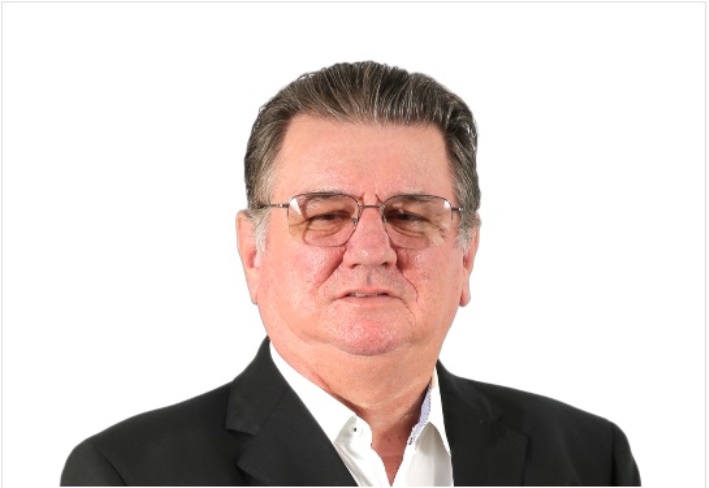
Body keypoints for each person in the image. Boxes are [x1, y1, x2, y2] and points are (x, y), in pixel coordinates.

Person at [61, 61, 640, 486]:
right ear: (253, 253)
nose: (371, 251)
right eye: (325, 214)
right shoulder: (129, 475)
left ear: (466, 256)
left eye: (410, 215)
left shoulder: (590, 461)